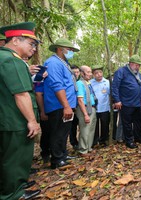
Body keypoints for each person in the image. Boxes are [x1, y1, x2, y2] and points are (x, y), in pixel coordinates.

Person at [0, 21, 41, 200]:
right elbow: (21, 94)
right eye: (31, 44)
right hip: (14, 120)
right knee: (14, 158)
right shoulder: (11, 60)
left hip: (6, 118)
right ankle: (13, 194)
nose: (34, 48)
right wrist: (32, 121)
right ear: (16, 40)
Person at [43, 38, 79, 169]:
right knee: (58, 132)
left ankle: (63, 155)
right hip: (59, 106)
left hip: (66, 105)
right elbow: (57, 85)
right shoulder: (53, 63)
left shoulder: (64, 63)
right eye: (69, 49)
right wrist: (66, 106)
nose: (71, 52)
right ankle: (57, 159)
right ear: (60, 49)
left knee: (64, 132)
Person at [112, 55, 141, 148]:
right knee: (127, 123)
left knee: (138, 122)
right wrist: (117, 100)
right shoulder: (121, 71)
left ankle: (138, 137)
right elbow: (115, 86)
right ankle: (129, 141)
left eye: (139, 65)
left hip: (137, 103)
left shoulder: (138, 74)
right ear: (130, 63)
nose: (137, 67)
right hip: (126, 103)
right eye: (136, 65)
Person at [75, 65, 97, 156]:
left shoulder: (88, 83)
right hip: (84, 109)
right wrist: (85, 114)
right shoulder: (80, 83)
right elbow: (80, 100)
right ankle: (82, 150)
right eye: (88, 72)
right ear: (82, 73)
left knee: (91, 129)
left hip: (92, 107)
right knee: (84, 129)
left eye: (90, 72)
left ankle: (88, 147)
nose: (90, 74)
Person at [91, 65, 110, 147]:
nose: (99, 74)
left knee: (105, 125)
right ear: (93, 74)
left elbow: (111, 94)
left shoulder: (107, 82)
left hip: (105, 108)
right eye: (96, 73)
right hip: (94, 108)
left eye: (100, 72)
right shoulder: (90, 83)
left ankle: (103, 140)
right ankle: (94, 141)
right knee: (94, 125)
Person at [69, 65, 80, 150]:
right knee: (72, 127)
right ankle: (74, 143)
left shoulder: (80, 82)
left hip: (80, 108)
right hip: (71, 108)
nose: (76, 74)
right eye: (74, 72)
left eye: (77, 72)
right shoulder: (68, 82)